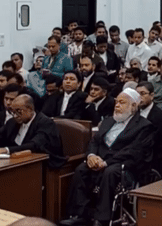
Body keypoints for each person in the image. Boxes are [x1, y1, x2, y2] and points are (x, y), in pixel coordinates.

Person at [63, 88, 154, 225]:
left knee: (110, 172)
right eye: (116, 102)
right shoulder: (108, 121)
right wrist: (91, 156)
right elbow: (94, 141)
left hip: (123, 164)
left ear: (134, 106)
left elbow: (133, 152)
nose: (117, 105)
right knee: (81, 169)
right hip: (100, 160)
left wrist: (106, 162)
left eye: (122, 103)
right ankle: (79, 214)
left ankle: (102, 219)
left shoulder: (144, 126)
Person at [0, 94, 65, 166]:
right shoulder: (12, 122)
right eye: (13, 112)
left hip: (41, 165)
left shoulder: (46, 123)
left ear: (30, 109)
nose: (15, 115)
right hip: (14, 162)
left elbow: (34, 145)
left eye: (19, 111)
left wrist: (5, 150)